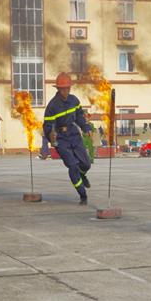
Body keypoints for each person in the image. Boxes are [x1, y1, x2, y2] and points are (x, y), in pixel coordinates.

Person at [43, 72, 92, 205]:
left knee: (86, 164)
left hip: (74, 135)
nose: (65, 91)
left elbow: (80, 116)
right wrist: (50, 138)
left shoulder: (74, 100)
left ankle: (83, 174)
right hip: (61, 139)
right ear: (58, 89)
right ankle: (83, 195)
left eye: (67, 88)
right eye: (62, 88)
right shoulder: (52, 106)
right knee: (73, 166)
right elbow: (47, 126)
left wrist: (85, 128)